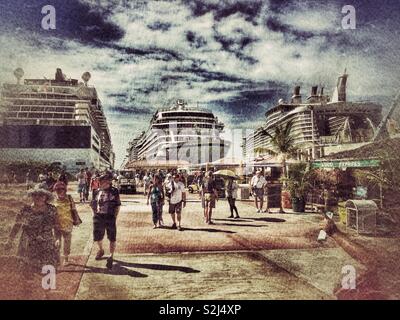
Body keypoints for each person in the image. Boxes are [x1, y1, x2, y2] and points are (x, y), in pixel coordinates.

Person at [5, 187, 59, 274]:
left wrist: (57, 238)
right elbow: (17, 225)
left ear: (46, 197)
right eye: (35, 195)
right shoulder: (25, 209)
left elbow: (56, 225)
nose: (38, 197)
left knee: (47, 271)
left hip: (46, 242)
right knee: (27, 271)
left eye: (41, 195)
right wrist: (10, 240)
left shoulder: (52, 209)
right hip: (28, 243)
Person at [91, 172, 121, 269]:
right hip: (98, 216)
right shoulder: (96, 191)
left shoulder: (114, 191)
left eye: (103, 181)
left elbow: (117, 205)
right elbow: (93, 204)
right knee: (97, 237)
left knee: (112, 237)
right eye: (100, 181)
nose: (101, 183)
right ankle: (101, 250)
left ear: (108, 182)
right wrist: (94, 214)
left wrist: (114, 217)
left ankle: (111, 256)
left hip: (110, 216)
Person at [53, 181, 78, 265]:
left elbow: (74, 209)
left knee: (67, 242)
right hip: (56, 224)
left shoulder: (70, 198)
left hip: (68, 223)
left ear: (65, 190)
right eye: (57, 190)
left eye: (61, 189)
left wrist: (76, 219)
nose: (59, 191)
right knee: (57, 242)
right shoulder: (53, 199)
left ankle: (66, 259)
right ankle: (56, 258)